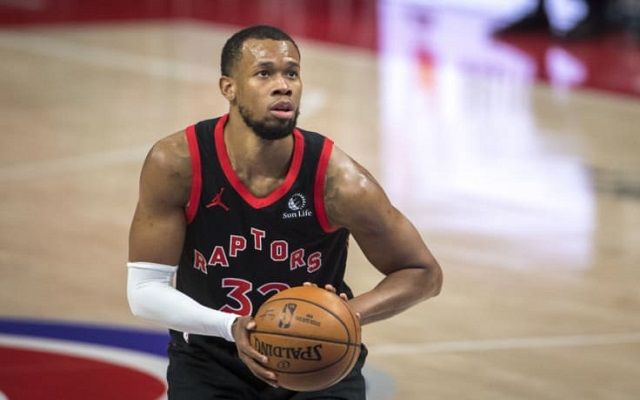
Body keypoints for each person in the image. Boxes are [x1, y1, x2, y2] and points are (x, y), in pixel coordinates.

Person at [127, 25, 442, 400]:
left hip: (316, 358)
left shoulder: (339, 181)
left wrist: (346, 315)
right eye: (264, 73)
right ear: (229, 87)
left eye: (291, 73)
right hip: (210, 357)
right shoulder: (179, 163)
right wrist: (231, 326)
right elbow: (144, 291)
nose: (283, 86)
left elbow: (423, 272)